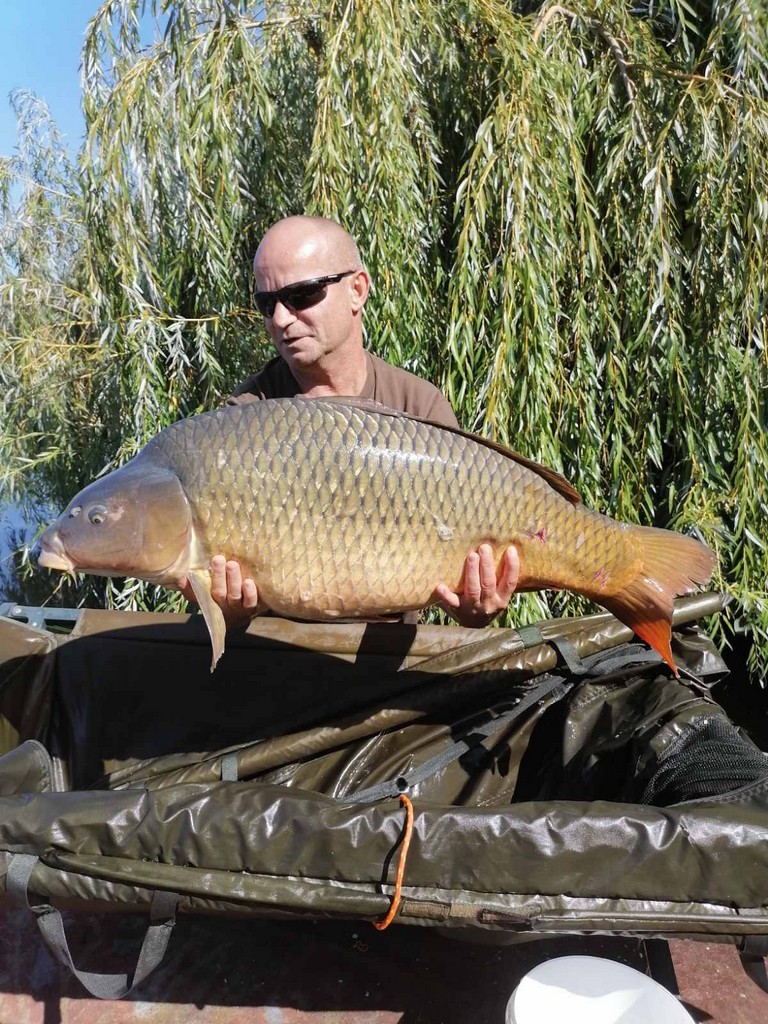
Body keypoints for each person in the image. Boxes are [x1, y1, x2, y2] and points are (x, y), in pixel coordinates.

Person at [175, 215, 519, 628]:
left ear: (357, 290)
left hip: (393, 654)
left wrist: (476, 607)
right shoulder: (243, 421)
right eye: (267, 304)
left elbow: (470, 585)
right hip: (284, 655)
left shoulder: (419, 405)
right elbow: (214, 589)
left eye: (301, 295)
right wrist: (224, 610)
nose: (280, 319)